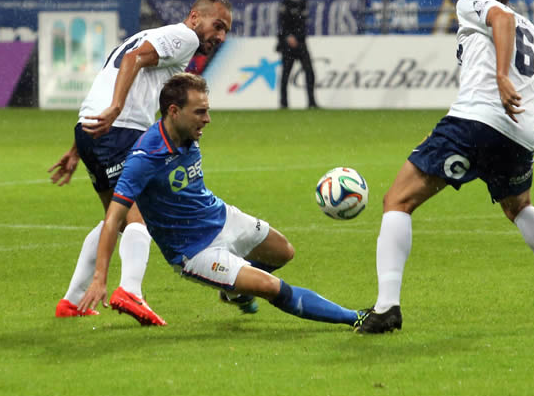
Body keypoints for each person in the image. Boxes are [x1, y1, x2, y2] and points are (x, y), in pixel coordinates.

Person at [355, 0, 534, 334]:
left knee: (397, 200)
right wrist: (517, 118)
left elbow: (502, 19)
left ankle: (387, 308)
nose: (455, 0)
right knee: (519, 207)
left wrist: (499, 78)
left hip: (474, 121)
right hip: (518, 136)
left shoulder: (476, 5)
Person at [76, 73, 362, 328]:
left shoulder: (188, 132)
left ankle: (232, 289)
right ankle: (356, 317)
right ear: (174, 111)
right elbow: (113, 217)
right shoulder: (145, 158)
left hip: (222, 217)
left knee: (284, 252)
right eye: (200, 112)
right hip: (195, 251)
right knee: (271, 287)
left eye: (208, 111)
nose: (207, 119)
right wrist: (100, 278)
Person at [49, 0, 234, 323]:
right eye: (217, 26)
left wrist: (78, 147)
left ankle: (72, 301)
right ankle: (130, 291)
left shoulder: (148, 35)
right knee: (140, 216)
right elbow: (134, 60)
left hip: (92, 129)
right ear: (194, 17)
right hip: (119, 130)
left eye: (225, 32)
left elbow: (115, 73)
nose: (220, 36)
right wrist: (118, 109)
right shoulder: (185, 37)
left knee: (116, 216)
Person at [277, 0, 318, 109]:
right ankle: (284, 103)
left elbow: (303, 24)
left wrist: (299, 37)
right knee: (286, 74)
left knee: (309, 72)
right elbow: (282, 24)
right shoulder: (286, 3)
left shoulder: (304, 3)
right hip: (288, 44)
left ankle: (311, 102)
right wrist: (288, 37)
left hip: (301, 42)